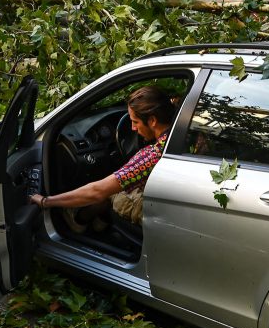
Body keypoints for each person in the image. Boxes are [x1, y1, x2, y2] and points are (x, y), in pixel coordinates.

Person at [29, 85, 176, 225]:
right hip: (172, 206)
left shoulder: (152, 156)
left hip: (159, 213)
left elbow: (97, 191)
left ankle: (78, 222)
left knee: (109, 194)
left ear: (152, 120)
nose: (132, 128)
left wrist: (45, 201)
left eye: (135, 122)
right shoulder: (184, 134)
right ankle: (102, 224)